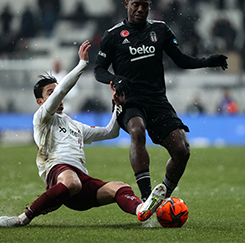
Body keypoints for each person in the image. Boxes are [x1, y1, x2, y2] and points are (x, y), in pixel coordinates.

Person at [0, 41, 166, 227]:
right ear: (40, 101)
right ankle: (22, 218)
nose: (58, 96)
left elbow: (110, 132)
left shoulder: (74, 125)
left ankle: (141, 210)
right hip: (59, 174)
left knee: (121, 187)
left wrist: (117, 106)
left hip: (81, 184)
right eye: (50, 93)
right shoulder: (42, 118)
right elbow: (62, 90)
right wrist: (82, 64)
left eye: (56, 91)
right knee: (72, 182)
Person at [92, 0, 229, 199]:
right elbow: (98, 70)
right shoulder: (113, 35)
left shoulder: (160, 30)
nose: (140, 9)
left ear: (150, 5)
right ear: (126, 4)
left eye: (144, 5)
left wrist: (208, 61)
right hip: (129, 100)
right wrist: (116, 79)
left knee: (182, 150)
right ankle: (146, 198)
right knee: (137, 131)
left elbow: (181, 60)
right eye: (135, 4)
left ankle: (161, 197)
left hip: (157, 100)